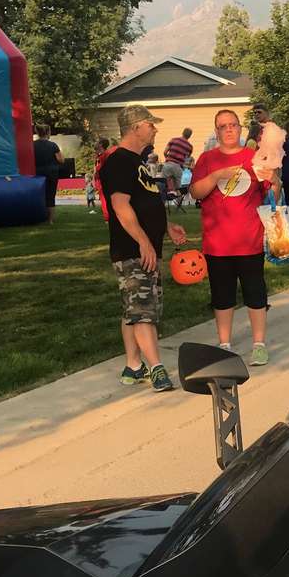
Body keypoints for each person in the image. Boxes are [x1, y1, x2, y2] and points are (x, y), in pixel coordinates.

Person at [98, 105, 188, 392]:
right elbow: (120, 206)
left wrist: (166, 226)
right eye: (151, 124)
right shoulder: (119, 161)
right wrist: (143, 241)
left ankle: (133, 366)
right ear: (136, 127)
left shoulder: (137, 163)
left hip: (146, 246)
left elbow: (145, 203)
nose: (155, 128)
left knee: (134, 309)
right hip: (132, 249)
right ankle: (157, 368)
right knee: (143, 311)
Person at [190, 109, 280, 367]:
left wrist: (274, 178)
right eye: (223, 126)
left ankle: (259, 344)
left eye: (232, 125)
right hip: (217, 243)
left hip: (249, 240)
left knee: (255, 293)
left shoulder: (253, 157)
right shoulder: (207, 159)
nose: (228, 129)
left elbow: (273, 191)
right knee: (222, 296)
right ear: (216, 131)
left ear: (240, 129)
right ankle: (225, 344)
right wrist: (217, 175)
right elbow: (196, 192)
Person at [32, 123, 64, 223]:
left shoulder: (33, 145)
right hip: (52, 172)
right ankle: (50, 220)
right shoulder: (53, 145)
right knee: (50, 196)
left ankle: (40, 217)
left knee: (40, 195)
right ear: (48, 133)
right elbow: (61, 160)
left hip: (38, 173)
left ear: (38, 133)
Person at [163, 127, 194, 196]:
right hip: (178, 167)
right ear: (190, 136)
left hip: (168, 164)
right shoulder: (190, 146)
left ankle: (164, 202)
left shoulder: (173, 140)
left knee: (164, 185)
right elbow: (187, 158)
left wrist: (168, 159)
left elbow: (165, 152)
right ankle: (178, 203)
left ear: (183, 132)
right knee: (178, 189)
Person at [92, 137, 115, 220]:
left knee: (105, 198)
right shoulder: (98, 155)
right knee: (103, 198)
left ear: (101, 144)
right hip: (99, 179)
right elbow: (95, 169)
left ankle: (107, 217)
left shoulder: (105, 155)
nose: (95, 143)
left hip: (103, 179)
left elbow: (101, 168)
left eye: (97, 142)